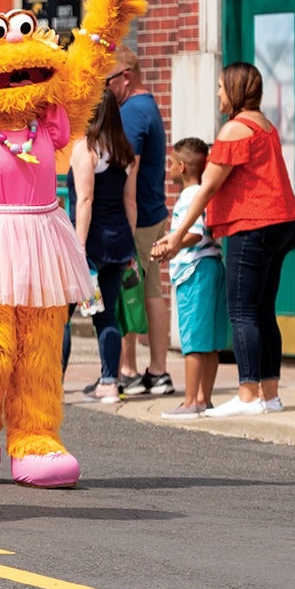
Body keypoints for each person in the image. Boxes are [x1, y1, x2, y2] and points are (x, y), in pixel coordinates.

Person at [152, 62, 295, 417]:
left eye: (221, 87)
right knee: (263, 311)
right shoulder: (265, 126)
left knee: (242, 312)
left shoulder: (235, 130)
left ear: (234, 90)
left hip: (254, 225)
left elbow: (208, 187)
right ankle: (270, 394)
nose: (218, 93)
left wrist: (175, 236)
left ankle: (248, 394)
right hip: (282, 223)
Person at [110, 47, 173, 397]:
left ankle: (129, 370)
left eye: (108, 81)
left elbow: (127, 170)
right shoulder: (146, 107)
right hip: (153, 212)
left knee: (129, 290)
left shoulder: (132, 112)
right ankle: (158, 371)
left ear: (126, 77)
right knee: (150, 291)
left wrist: (124, 218)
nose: (105, 89)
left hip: (138, 216)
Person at [70, 90, 135, 404]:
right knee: (107, 316)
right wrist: (130, 245)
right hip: (119, 241)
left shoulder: (85, 149)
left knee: (61, 315)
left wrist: (78, 246)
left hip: (91, 243)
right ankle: (110, 382)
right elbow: (130, 202)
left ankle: (51, 384)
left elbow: (85, 199)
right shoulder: (124, 152)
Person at [160, 137, 226, 419]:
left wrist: (171, 244)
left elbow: (194, 233)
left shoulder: (190, 196)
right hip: (211, 266)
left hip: (194, 271)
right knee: (210, 340)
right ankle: (204, 398)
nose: (170, 168)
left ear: (183, 166)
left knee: (193, 341)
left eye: (172, 163)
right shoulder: (204, 193)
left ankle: (190, 402)